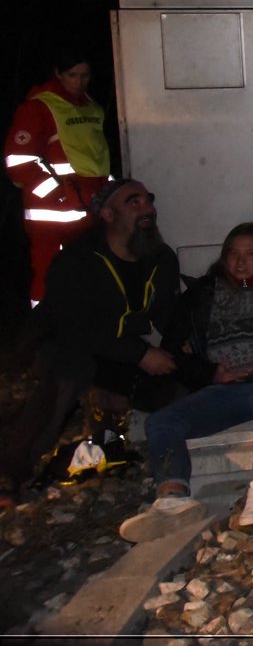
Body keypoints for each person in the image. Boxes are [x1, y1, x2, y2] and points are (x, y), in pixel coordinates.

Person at [117, 223, 253, 542]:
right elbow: (171, 352)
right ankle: (173, 499)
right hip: (228, 390)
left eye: (250, 254)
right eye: (233, 253)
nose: (240, 261)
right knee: (163, 422)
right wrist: (209, 374)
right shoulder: (203, 295)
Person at [0, 179, 188, 505]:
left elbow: (167, 314)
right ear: (108, 214)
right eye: (134, 201)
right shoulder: (78, 261)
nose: (147, 208)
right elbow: (72, 328)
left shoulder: (160, 259)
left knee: (173, 391)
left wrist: (182, 349)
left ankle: (99, 450)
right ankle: (12, 472)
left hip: (115, 351)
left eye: (149, 200)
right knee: (70, 371)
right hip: (62, 346)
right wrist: (141, 353)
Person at [6, 48, 115, 305]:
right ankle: (42, 337)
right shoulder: (38, 108)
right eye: (72, 75)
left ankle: (78, 333)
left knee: (86, 273)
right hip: (51, 214)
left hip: (89, 209)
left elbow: (96, 160)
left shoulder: (92, 108)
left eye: (85, 75)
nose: (79, 81)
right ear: (58, 74)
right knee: (49, 273)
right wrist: (58, 196)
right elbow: (18, 164)